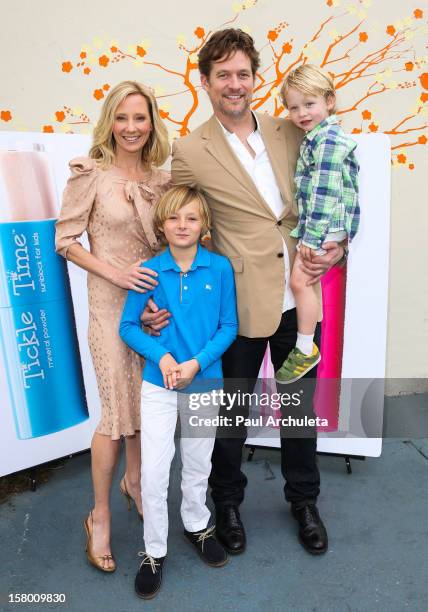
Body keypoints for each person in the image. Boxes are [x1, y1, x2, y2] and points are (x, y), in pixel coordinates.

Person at [168, 29, 348, 556]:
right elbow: (173, 221)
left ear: (255, 78)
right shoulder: (188, 150)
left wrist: (338, 248)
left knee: (298, 408)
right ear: (205, 82)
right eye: (222, 74)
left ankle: (304, 501)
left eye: (243, 73)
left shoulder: (291, 129)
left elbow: (329, 192)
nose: (234, 83)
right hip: (238, 303)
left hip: (301, 293)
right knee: (232, 415)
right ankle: (226, 502)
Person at [55, 80, 171, 572]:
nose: (130, 128)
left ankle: (137, 483)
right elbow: (66, 240)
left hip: (152, 310)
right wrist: (117, 273)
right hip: (108, 306)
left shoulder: (163, 178)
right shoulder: (91, 175)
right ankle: (99, 516)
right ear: (110, 122)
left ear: (151, 122)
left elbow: (172, 245)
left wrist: (157, 300)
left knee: (146, 405)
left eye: (139, 118)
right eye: (122, 118)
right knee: (114, 414)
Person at [119, 185, 238, 598]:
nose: (182, 225)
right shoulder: (149, 271)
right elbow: (129, 327)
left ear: (204, 224)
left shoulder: (220, 269)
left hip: (203, 383)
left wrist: (195, 363)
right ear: (161, 224)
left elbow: (228, 327)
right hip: (158, 385)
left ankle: (196, 526)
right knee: (153, 473)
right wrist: (165, 358)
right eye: (173, 218)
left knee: (197, 463)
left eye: (191, 217)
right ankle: (154, 549)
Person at [275, 64, 359, 384]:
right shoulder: (317, 137)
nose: (301, 113)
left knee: (299, 283)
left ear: (330, 101)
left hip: (325, 227)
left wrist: (310, 239)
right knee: (304, 284)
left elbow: (324, 192)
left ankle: (305, 347)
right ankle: (306, 345)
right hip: (322, 226)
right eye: (294, 107)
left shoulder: (327, 141)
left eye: (309, 104)